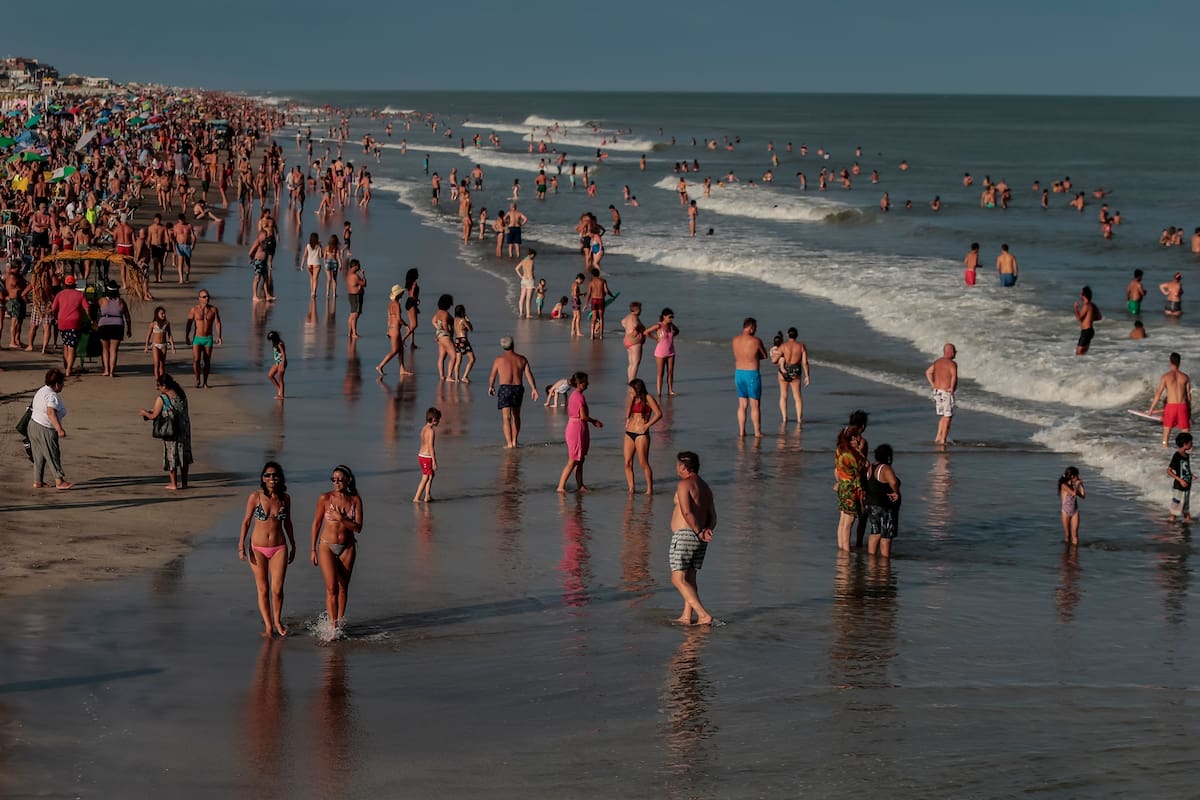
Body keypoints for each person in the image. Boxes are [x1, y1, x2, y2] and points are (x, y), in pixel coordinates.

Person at [237, 461, 296, 638]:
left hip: (279, 547)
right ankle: (269, 626)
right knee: (263, 589)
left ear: (280, 477)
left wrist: (293, 545)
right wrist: (241, 545)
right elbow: (246, 521)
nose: (272, 478)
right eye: (268, 475)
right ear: (263, 478)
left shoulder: (285, 498)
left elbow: (288, 522)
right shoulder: (255, 497)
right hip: (257, 548)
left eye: (275, 475)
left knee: (277, 589)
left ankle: (278, 621)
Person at [311, 465, 364, 635]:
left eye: (340, 479)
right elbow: (316, 524)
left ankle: (339, 623)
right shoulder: (325, 498)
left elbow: (358, 528)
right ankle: (332, 628)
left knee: (343, 588)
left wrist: (341, 518)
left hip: (347, 547)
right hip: (326, 546)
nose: (336, 482)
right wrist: (312, 549)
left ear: (348, 480)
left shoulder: (355, 500)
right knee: (331, 588)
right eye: (333, 479)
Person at [669, 451, 718, 626]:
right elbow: (713, 516)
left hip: (685, 535)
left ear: (683, 466)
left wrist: (698, 531)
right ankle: (686, 616)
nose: (676, 467)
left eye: (677, 464)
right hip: (699, 537)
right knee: (690, 578)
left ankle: (703, 615)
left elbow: (686, 511)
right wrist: (706, 531)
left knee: (677, 579)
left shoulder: (684, 484)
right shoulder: (705, 487)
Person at [138, 372, 193, 490]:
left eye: (159, 385)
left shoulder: (162, 398)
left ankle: (173, 484)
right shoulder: (181, 394)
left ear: (164, 385)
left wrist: (144, 413)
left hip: (171, 430)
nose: (157, 388)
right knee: (184, 454)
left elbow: (153, 416)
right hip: (184, 428)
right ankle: (184, 483)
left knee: (171, 455)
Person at [488, 335, 539, 448]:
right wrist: (533, 389)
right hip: (517, 388)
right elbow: (529, 375)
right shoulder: (522, 359)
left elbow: (492, 376)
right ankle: (515, 441)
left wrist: (491, 386)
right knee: (516, 416)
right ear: (513, 345)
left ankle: (509, 443)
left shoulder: (499, 360)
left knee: (506, 418)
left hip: (505, 388)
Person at [555, 372, 603, 492]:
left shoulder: (575, 395)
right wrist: (594, 421)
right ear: (580, 384)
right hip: (576, 428)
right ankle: (561, 487)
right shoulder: (579, 397)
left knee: (580, 459)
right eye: (586, 382)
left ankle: (580, 485)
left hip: (577, 426)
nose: (588, 384)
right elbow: (583, 416)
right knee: (573, 460)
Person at [29, 368, 72, 490]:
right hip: (45, 429)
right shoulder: (52, 396)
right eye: (62, 382)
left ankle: (38, 481)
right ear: (57, 384)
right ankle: (59, 481)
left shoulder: (41, 390)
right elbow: (51, 412)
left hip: (33, 425)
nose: (63, 385)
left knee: (39, 456)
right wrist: (59, 429)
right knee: (53, 454)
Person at [623, 378, 664, 494]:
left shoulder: (648, 398)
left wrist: (647, 425)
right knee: (627, 462)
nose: (630, 392)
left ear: (638, 389)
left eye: (631, 390)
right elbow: (627, 414)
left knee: (643, 462)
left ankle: (649, 489)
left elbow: (659, 414)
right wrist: (631, 398)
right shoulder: (632, 398)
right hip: (629, 432)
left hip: (642, 433)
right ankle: (631, 488)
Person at [834, 418, 868, 551]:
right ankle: (846, 551)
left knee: (842, 522)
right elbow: (865, 467)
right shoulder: (853, 456)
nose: (859, 440)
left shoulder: (839, 451)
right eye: (857, 438)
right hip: (852, 489)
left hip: (842, 486)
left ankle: (841, 548)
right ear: (852, 438)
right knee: (849, 523)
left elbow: (836, 471)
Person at [732, 317, 768, 437]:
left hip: (738, 373)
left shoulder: (735, 340)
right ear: (751, 327)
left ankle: (742, 431)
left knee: (742, 404)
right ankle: (757, 432)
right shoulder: (756, 341)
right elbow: (764, 355)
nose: (756, 330)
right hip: (751, 374)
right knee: (755, 404)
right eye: (755, 328)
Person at [865, 444, 901, 557]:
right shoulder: (885, 468)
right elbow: (894, 482)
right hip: (885, 505)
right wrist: (896, 493)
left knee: (875, 532)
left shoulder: (870, 467)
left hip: (871, 504)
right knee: (886, 535)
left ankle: (871, 558)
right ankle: (885, 561)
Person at [1148, 352, 1192, 447]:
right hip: (1182, 406)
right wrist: (1189, 413)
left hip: (1171, 407)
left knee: (1166, 434)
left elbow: (1158, 393)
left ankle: (1165, 450)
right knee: (1186, 434)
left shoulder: (1165, 377)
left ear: (1170, 362)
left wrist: (1151, 409)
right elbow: (1188, 396)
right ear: (1179, 363)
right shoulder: (1185, 377)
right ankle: (1190, 454)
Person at [49, 275, 89, 377]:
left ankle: (67, 366)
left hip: (62, 322)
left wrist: (55, 318)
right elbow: (87, 308)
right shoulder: (80, 295)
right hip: (74, 323)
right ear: (74, 284)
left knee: (66, 344)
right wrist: (90, 319)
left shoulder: (60, 294)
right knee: (72, 347)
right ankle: (68, 369)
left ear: (65, 284)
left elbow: (53, 309)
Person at [185, 289, 222, 389]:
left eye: (208, 296)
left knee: (207, 361)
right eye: (204, 297)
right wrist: (187, 336)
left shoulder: (213, 309)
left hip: (208, 338)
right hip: (197, 338)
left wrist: (219, 336)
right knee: (196, 360)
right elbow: (189, 323)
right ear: (199, 298)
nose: (207, 298)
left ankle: (205, 382)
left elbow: (217, 323)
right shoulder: (194, 309)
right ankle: (197, 378)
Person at [774, 327, 810, 423]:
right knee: (797, 396)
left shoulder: (783, 346)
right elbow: (805, 362)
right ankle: (799, 419)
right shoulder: (801, 346)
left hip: (784, 371)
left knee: (783, 395)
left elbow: (775, 360)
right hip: (795, 371)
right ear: (796, 335)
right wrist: (807, 376)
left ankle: (784, 418)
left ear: (787, 335)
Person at [925, 343, 958, 445]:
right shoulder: (952, 364)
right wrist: (952, 388)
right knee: (948, 416)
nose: (955, 354)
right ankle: (943, 440)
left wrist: (933, 384)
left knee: (944, 415)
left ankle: (938, 437)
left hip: (937, 392)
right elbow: (954, 376)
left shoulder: (937, 362)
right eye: (955, 352)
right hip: (946, 392)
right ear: (951, 352)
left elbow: (928, 372)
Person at [376, 284, 412, 376]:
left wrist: (388, 330)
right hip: (395, 329)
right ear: (398, 294)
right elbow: (399, 318)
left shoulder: (390, 304)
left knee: (401, 349)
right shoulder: (396, 304)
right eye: (401, 293)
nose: (403, 294)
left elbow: (389, 318)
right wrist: (406, 325)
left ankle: (402, 369)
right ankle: (380, 366)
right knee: (394, 350)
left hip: (392, 328)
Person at [644, 308, 680, 396]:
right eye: (670, 317)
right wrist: (656, 338)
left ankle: (670, 390)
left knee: (671, 372)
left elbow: (677, 331)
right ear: (664, 316)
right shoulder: (659, 325)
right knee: (661, 373)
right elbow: (646, 332)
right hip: (660, 352)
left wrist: (670, 337)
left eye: (672, 317)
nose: (671, 319)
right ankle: (659, 392)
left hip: (671, 351)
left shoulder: (671, 326)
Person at [414, 407, 441, 502]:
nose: (439, 422)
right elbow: (430, 446)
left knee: (431, 475)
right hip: (427, 457)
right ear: (434, 420)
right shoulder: (431, 431)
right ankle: (416, 498)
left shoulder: (423, 428)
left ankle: (427, 496)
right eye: (438, 420)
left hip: (421, 455)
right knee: (425, 477)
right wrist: (434, 461)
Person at [143, 306, 176, 380]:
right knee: (156, 364)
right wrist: (146, 346)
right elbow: (148, 335)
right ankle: (158, 381)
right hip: (155, 345)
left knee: (162, 365)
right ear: (157, 314)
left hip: (164, 345)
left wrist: (173, 347)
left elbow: (170, 335)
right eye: (162, 313)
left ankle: (162, 381)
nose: (164, 315)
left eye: (164, 313)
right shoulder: (153, 324)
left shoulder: (167, 323)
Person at [1168, 433, 1193, 523]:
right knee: (1176, 507)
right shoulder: (1177, 455)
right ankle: (1171, 524)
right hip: (1179, 486)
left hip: (1187, 486)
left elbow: (1185, 468)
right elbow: (1169, 471)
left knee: (1185, 506)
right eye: (1190, 443)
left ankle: (1187, 521)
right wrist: (1180, 480)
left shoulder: (1187, 455)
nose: (1192, 444)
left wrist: (1191, 475)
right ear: (1185, 444)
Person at [1057, 466, 1084, 545]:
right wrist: (1077, 484)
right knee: (1067, 535)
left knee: (1075, 534)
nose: (1078, 477)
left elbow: (1083, 496)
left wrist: (1081, 485)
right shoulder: (1063, 485)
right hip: (1065, 512)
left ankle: (1075, 554)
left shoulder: (1074, 485)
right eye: (1077, 476)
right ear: (1072, 476)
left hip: (1075, 511)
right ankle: (1067, 552)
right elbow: (1074, 493)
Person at [586, 268, 614, 339]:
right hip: (601, 300)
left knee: (594, 318)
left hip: (594, 300)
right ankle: (601, 335)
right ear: (599, 274)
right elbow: (606, 291)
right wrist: (612, 296)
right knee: (601, 318)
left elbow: (589, 294)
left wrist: (586, 304)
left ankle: (592, 335)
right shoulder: (603, 281)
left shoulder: (591, 282)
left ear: (592, 275)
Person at [621, 301, 646, 381]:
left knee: (631, 363)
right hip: (634, 341)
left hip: (627, 340)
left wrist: (628, 329)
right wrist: (639, 328)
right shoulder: (635, 317)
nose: (641, 311)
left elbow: (622, 322)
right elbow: (635, 325)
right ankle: (632, 381)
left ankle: (630, 380)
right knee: (636, 363)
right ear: (637, 310)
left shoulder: (628, 316)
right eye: (640, 309)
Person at [1074, 286, 1101, 356]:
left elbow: (1078, 318)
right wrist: (1089, 319)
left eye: (1081, 294)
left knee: (1079, 352)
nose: (1080, 295)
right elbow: (1099, 317)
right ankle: (1085, 365)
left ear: (1084, 295)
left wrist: (1076, 308)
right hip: (1089, 331)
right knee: (1083, 352)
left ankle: (1081, 366)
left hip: (1086, 331)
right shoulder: (1093, 305)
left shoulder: (1086, 305)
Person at [451, 304, 475, 382]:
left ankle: (457, 378)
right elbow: (471, 328)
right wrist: (467, 320)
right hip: (463, 340)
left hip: (457, 340)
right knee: (472, 359)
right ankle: (465, 376)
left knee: (458, 360)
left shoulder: (455, 320)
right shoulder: (463, 320)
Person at [345, 258, 366, 339]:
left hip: (351, 295)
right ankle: (354, 333)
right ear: (355, 266)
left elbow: (358, 284)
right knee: (355, 315)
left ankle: (350, 333)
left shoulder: (349, 274)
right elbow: (364, 283)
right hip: (356, 296)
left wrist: (359, 285)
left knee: (352, 315)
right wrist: (363, 274)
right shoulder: (355, 276)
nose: (360, 266)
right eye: (358, 265)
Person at [514, 250, 536, 318]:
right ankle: (528, 314)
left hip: (523, 280)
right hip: (529, 280)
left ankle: (521, 312)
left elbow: (516, 268)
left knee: (522, 297)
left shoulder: (523, 260)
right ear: (532, 255)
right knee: (528, 299)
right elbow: (530, 271)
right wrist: (533, 277)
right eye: (534, 256)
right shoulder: (531, 261)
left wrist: (521, 276)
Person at [266, 330, 287, 398]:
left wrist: (282, 365)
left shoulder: (279, 344)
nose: (270, 341)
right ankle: (279, 390)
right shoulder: (275, 343)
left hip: (282, 362)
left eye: (271, 340)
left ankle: (281, 395)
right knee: (270, 375)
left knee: (280, 379)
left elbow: (284, 355)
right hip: (277, 362)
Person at [303, 232, 323, 296]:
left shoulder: (308, 245)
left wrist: (302, 264)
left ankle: (311, 291)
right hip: (316, 263)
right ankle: (314, 292)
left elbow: (305, 255)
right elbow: (320, 256)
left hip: (309, 264)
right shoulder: (319, 246)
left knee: (311, 278)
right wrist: (321, 249)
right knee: (315, 278)